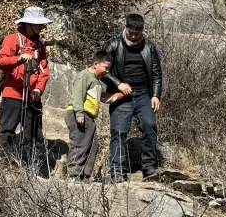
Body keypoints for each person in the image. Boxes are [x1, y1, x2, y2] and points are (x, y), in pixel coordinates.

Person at [103, 13, 163, 181]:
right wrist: (118, 83)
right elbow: (100, 69)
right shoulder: (113, 45)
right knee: (119, 131)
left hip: (143, 94)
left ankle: (149, 167)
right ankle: (117, 170)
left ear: (142, 30)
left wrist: (156, 96)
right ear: (125, 27)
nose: (134, 36)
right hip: (120, 94)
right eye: (131, 32)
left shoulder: (149, 47)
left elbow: (157, 73)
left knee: (149, 124)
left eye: (137, 33)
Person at [0, 6, 50, 168]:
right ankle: (6, 165)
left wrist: (39, 89)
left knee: (34, 133)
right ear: (28, 23)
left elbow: (44, 69)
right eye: (38, 24)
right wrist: (18, 59)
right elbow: (1, 61)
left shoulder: (40, 45)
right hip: (13, 94)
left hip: (33, 96)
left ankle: (33, 166)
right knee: (8, 131)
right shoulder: (12, 39)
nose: (41, 27)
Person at [66, 49, 117, 181]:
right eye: (105, 68)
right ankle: (74, 174)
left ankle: (85, 176)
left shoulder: (97, 81)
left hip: (89, 118)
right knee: (79, 144)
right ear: (95, 64)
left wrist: (118, 95)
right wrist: (79, 113)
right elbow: (77, 94)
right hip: (79, 114)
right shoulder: (84, 75)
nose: (107, 71)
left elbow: (103, 98)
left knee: (92, 146)